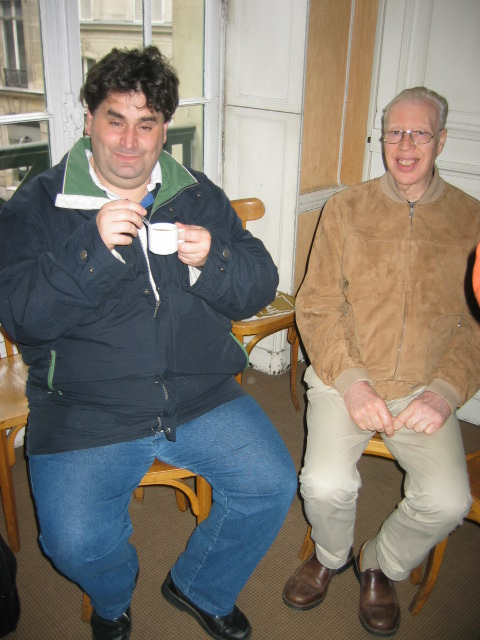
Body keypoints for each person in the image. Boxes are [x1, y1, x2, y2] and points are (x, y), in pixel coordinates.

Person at [0, 46, 297, 640]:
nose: (130, 142)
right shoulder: (37, 205)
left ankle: (199, 585)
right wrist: (91, 250)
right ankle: (113, 599)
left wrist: (212, 258)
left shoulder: (195, 193)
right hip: (85, 407)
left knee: (271, 484)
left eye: (147, 123)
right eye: (116, 120)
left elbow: (259, 282)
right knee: (73, 543)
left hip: (199, 392)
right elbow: (21, 316)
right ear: (89, 119)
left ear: (165, 128)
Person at [282, 87, 480, 636]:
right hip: (345, 376)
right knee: (323, 483)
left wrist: (444, 391)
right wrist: (351, 383)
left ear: (442, 140)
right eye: (395, 132)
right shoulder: (346, 208)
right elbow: (316, 304)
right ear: (382, 138)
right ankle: (330, 555)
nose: (406, 144)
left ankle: (380, 564)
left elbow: (476, 324)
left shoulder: (471, 219)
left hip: (423, 387)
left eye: (420, 133)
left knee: (449, 500)